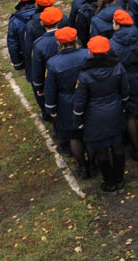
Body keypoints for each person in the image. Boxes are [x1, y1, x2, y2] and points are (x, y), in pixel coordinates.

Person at [74, 35, 129, 192]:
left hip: (94, 116)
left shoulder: (84, 75)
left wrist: (78, 117)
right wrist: (123, 104)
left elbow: (80, 100)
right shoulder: (118, 67)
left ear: (90, 52)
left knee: (101, 150)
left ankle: (109, 182)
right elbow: (125, 89)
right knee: (118, 146)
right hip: (115, 110)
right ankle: (120, 179)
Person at [44, 26, 91, 177]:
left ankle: (83, 167)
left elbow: (51, 88)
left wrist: (51, 108)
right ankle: (93, 162)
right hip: (87, 97)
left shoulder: (54, 63)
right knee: (89, 133)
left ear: (59, 43)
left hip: (66, 101)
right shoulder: (87, 55)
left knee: (74, 136)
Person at [109, 9, 138, 160]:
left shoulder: (112, 43)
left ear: (118, 24)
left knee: (130, 115)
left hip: (124, 79)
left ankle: (135, 148)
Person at [7, 0, 39, 72]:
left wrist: (18, 64)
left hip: (29, 57)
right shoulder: (45, 13)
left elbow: (13, 44)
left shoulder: (15, 21)